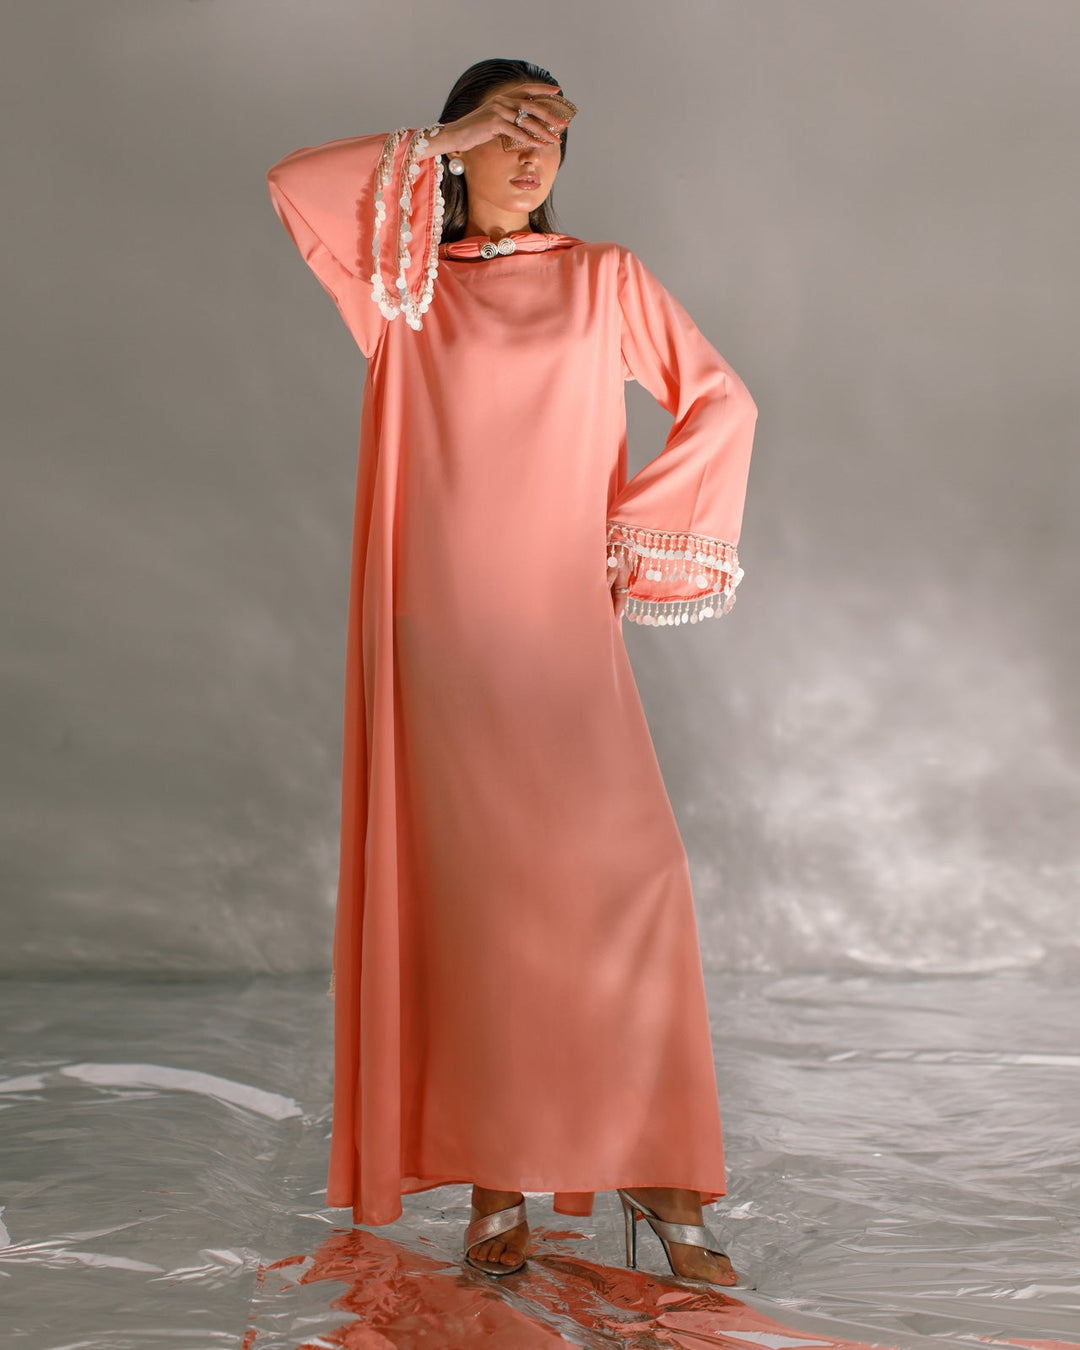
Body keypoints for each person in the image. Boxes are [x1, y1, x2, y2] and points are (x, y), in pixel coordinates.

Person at [266, 56, 758, 1287]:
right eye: (508, 128)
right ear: (462, 142)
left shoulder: (603, 278)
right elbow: (295, 183)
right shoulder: (401, 286)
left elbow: (720, 402)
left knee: (634, 882)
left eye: (549, 133)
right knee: (487, 908)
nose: (532, 152)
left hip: (558, 624)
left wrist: (634, 540)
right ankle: (498, 1186)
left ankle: (660, 1175)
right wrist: (449, 133)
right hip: (440, 630)